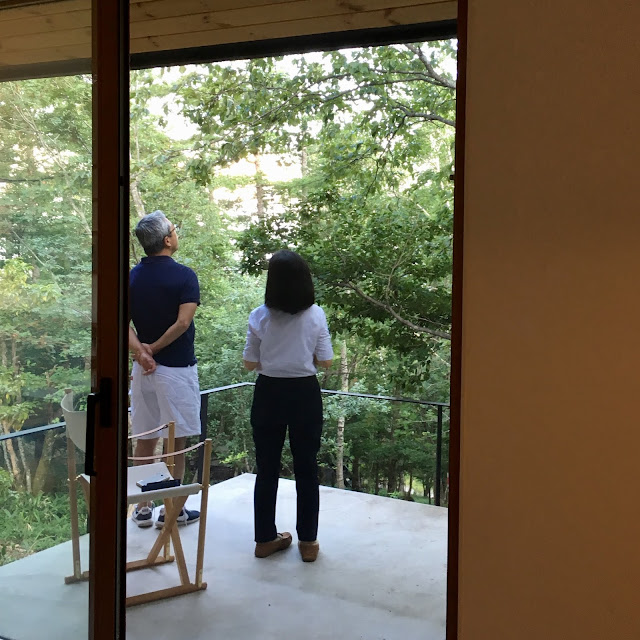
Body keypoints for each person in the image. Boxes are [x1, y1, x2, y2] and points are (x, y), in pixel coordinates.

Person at [243, 250, 333, 562]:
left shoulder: (259, 316)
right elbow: (326, 361)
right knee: (306, 467)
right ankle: (308, 543)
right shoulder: (316, 315)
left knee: (266, 468)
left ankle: (264, 540)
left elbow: (249, 363)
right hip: (305, 393)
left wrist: (271, 359)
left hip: (268, 392)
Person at [128, 210, 201, 529]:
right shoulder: (184, 276)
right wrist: (153, 350)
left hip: (142, 372)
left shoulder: (131, 277)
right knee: (176, 441)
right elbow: (183, 323)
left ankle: (143, 508)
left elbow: (120, 323)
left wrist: (141, 353)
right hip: (177, 370)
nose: (176, 233)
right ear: (168, 240)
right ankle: (171, 511)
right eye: (175, 229)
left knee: (145, 437)